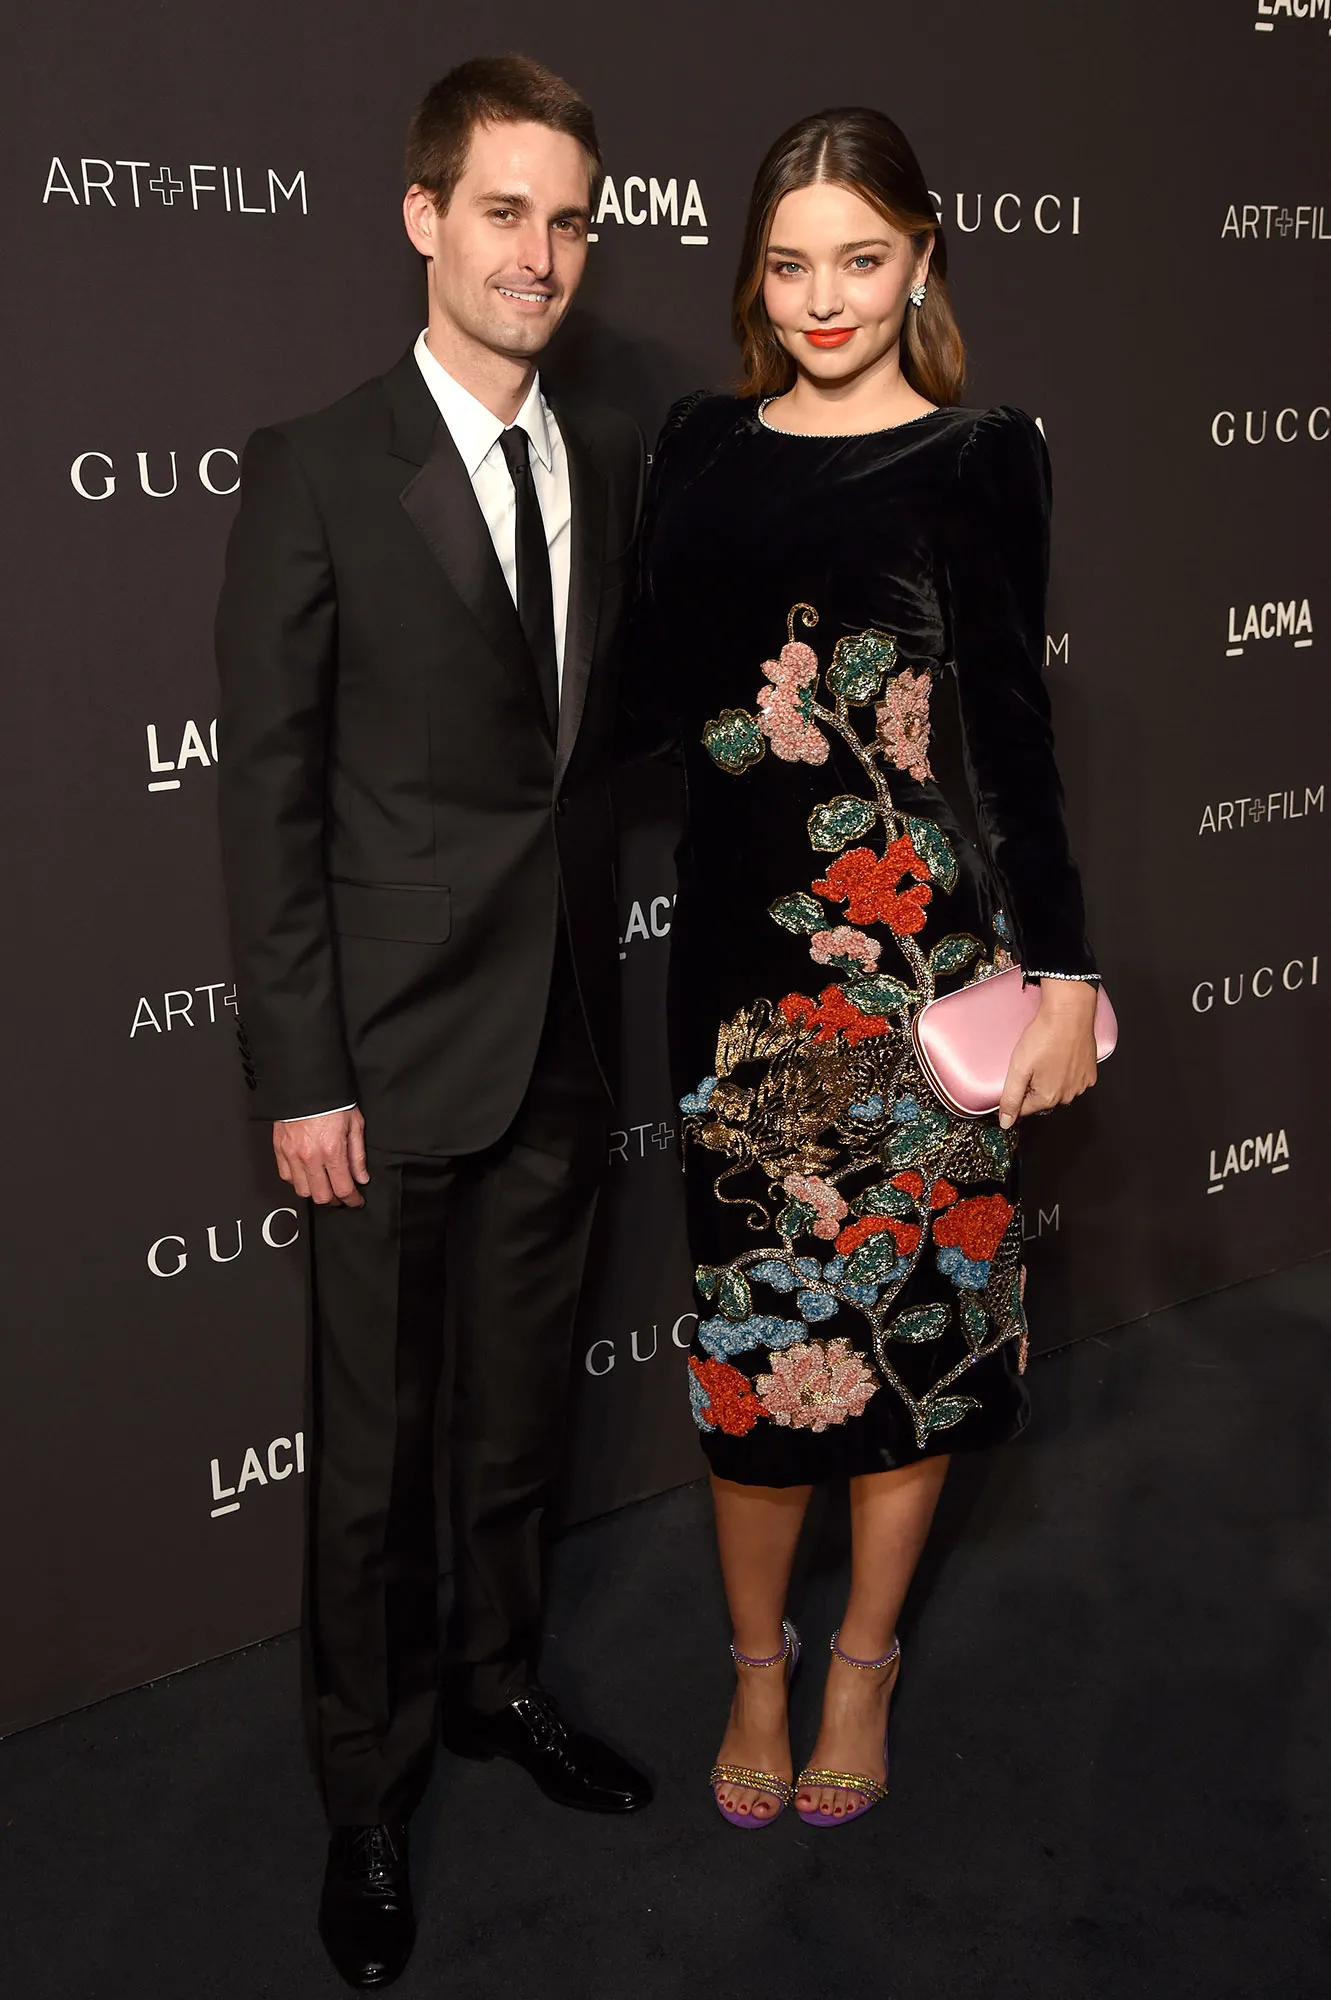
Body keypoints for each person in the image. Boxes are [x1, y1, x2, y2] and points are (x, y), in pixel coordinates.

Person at [216, 55, 650, 1989]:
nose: (539, 255)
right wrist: (302, 1070)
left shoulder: (605, 458)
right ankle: (367, 1796)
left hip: (559, 1030)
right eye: (502, 212)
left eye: (569, 222)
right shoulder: (316, 466)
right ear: (422, 216)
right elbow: (268, 802)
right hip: (382, 1062)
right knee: (376, 1455)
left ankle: (495, 1688)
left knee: (515, 1419)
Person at [636, 108, 1101, 1832]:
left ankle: (860, 1663)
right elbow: (638, 695)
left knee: (907, 1334)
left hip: (913, 967)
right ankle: (756, 1664)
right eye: (788, 264)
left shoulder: (980, 454)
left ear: (920, 260)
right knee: (754, 1348)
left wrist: (1063, 972)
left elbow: (1013, 734)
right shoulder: (696, 441)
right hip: (736, 983)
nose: (823, 298)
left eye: (859, 257)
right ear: (752, 277)